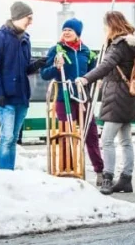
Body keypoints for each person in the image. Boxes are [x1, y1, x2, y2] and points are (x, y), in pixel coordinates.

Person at [75, 11, 135, 195]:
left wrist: (86, 79)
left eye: (105, 26)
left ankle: (107, 178)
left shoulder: (118, 45)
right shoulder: (133, 44)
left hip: (116, 97)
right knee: (126, 141)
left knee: (107, 140)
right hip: (130, 97)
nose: (104, 30)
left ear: (111, 26)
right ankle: (126, 179)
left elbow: (105, 65)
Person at [40, 18, 105, 184]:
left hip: (83, 100)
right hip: (63, 99)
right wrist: (56, 67)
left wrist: (93, 84)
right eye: (64, 29)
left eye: (70, 30)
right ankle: (67, 169)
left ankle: (99, 171)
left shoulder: (87, 52)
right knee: (65, 135)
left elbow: (93, 75)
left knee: (90, 136)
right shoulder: (56, 49)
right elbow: (44, 74)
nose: (66, 32)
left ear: (78, 33)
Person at [0, 1, 46, 170]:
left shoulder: (26, 39)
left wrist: (37, 64)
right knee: (6, 138)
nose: (31, 22)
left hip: (22, 97)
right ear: (18, 17)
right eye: (29, 18)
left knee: (13, 138)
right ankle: (4, 174)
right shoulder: (0, 37)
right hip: (6, 98)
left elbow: (25, 68)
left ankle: (9, 172)